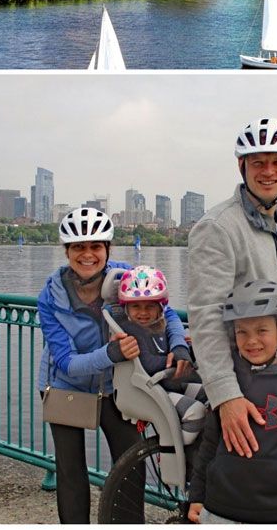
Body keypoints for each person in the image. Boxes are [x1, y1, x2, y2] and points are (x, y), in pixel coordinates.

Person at [38, 206, 188, 524]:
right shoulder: (50, 295)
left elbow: (167, 313)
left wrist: (178, 345)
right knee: (71, 472)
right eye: (79, 247)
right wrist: (111, 353)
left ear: (107, 248)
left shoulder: (126, 278)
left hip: (118, 387)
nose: (88, 254)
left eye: (96, 246)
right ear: (67, 251)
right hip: (67, 386)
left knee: (130, 467)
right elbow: (65, 362)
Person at [188, 118, 277, 461]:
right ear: (242, 166)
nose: (267, 172)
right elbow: (206, 317)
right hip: (240, 380)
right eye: (258, 162)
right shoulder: (217, 228)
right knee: (232, 485)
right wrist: (225, 396)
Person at [186, 280, 277, 524]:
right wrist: (196, 495)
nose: (252, 341)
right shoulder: (228, 384)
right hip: (218, 510)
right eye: (242, 331)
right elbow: (209, 444)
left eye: (262, 330)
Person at [102, 264, 208, 444]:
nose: (143, 313)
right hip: (149, 390)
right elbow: (148, 364)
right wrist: (173, 363)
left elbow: (167, 351)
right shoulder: (130, 331)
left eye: (150, 307)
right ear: (126, 308)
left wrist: (188, 352)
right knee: (195, 412)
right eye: (136, 306)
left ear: (160, 308)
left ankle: (193, 445)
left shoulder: (161, 327)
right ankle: (171, 449)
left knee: (211, 394)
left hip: (167, 383)